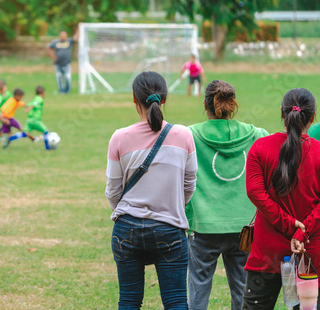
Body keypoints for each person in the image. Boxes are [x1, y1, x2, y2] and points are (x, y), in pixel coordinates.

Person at [106, 71, 197, 309]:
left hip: (126, 229)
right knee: (176, 300)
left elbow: (113, 191)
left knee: (128, 300)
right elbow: (189, 186)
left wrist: (129, 212)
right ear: (164, 99)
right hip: (170, 229)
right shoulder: (184, 135)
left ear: (134, 99)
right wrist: (171, 205)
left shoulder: (119, 137)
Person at [185, 80, 268, 310]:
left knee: (198, 292)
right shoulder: (257, 134)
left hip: (203, 226)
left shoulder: (189, 135)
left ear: (205, 105)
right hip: (244, 228)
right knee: (242, 293)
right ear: (233, 104)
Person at [242, 88, 320, 309]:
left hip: (266, 255)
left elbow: (255, 192)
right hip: (311, 254)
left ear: (282, 114)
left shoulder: (260, 148)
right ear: (313, 117)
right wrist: (300, 231)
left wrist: (288, 226)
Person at [47, 28, 79, 94]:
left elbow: (75, 37)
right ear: (60, 36)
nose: (63, 37)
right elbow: (48, 47)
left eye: (64, 36)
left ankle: (67, 91)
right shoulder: (56, 42)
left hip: (66, 63)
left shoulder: (69, 41)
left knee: (67, 77)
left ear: (66, 36)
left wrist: (79, 28)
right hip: (58, 64)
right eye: (62, 36)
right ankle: (61, 91)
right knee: (59, 77)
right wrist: (53, 56)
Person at [24, 86, 51, 150]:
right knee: (46, 131)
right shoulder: (39, 98)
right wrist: (29, 108)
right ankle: (47, 148)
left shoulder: (35, 98)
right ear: (43, 93)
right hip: (35, 119)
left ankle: (10, 139)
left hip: (29, 119)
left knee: (25, 133)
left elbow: (28, 104)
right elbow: (34, 104)